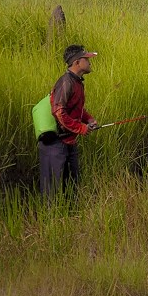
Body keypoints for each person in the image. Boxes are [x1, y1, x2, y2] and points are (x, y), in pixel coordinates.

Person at [38, 44, 99, 199]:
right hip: (55, 145)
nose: (90, 62)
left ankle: (71, 219)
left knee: (71, 188)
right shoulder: (66, 82)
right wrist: (81, 128)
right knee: (52, 193)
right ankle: (51, 221)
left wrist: (89, 119)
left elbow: (76, 108)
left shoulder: (78, 82)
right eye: (87, 59)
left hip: (70, 143)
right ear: (77, 62)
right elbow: (59, 112)